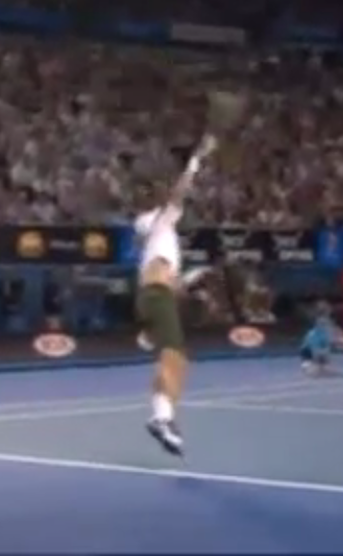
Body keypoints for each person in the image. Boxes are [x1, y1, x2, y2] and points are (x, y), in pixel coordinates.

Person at [134, 135, 218, 456]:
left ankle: (162, 414)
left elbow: (175, 285)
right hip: (156, 296)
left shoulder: (162, 244)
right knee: (175, 358)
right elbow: (179, 194)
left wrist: (195, 276)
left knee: (172, 359)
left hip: (157, 296)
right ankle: (162, 419)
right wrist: (196, 160)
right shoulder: (155, 224)